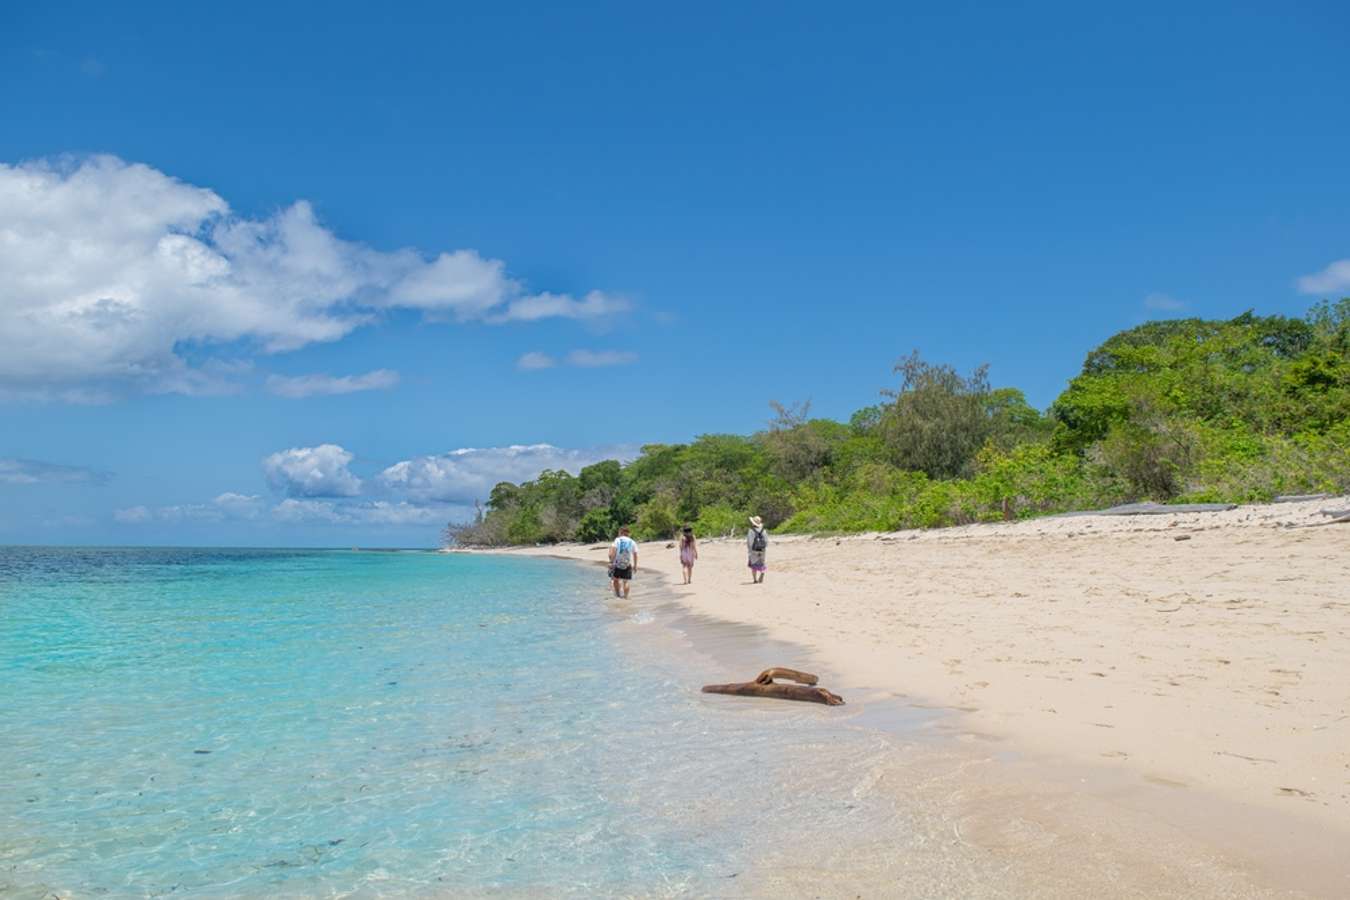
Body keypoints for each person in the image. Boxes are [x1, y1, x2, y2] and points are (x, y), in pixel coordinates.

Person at [608, 526, 639, 599]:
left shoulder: (617, 540)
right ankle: (626, 597)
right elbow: (635, 554)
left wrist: (611, 562)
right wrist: (635, 565)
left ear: (621, 532)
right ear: (628, 533)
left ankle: (618, 595)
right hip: (627, 564)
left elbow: (613, 551)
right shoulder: (632, 541)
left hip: (617, 563)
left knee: (616, 579)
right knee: (626, 581)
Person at [747, 515, 768, 584]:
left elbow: (750, 542)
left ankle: (755, 580)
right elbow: (766, 541)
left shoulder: (751, 531)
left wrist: (750, 551)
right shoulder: (763, 530)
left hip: (754, 550)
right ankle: (762, 572)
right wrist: (764, 549)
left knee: (754, 565)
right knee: (762, 563)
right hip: (762, 549)